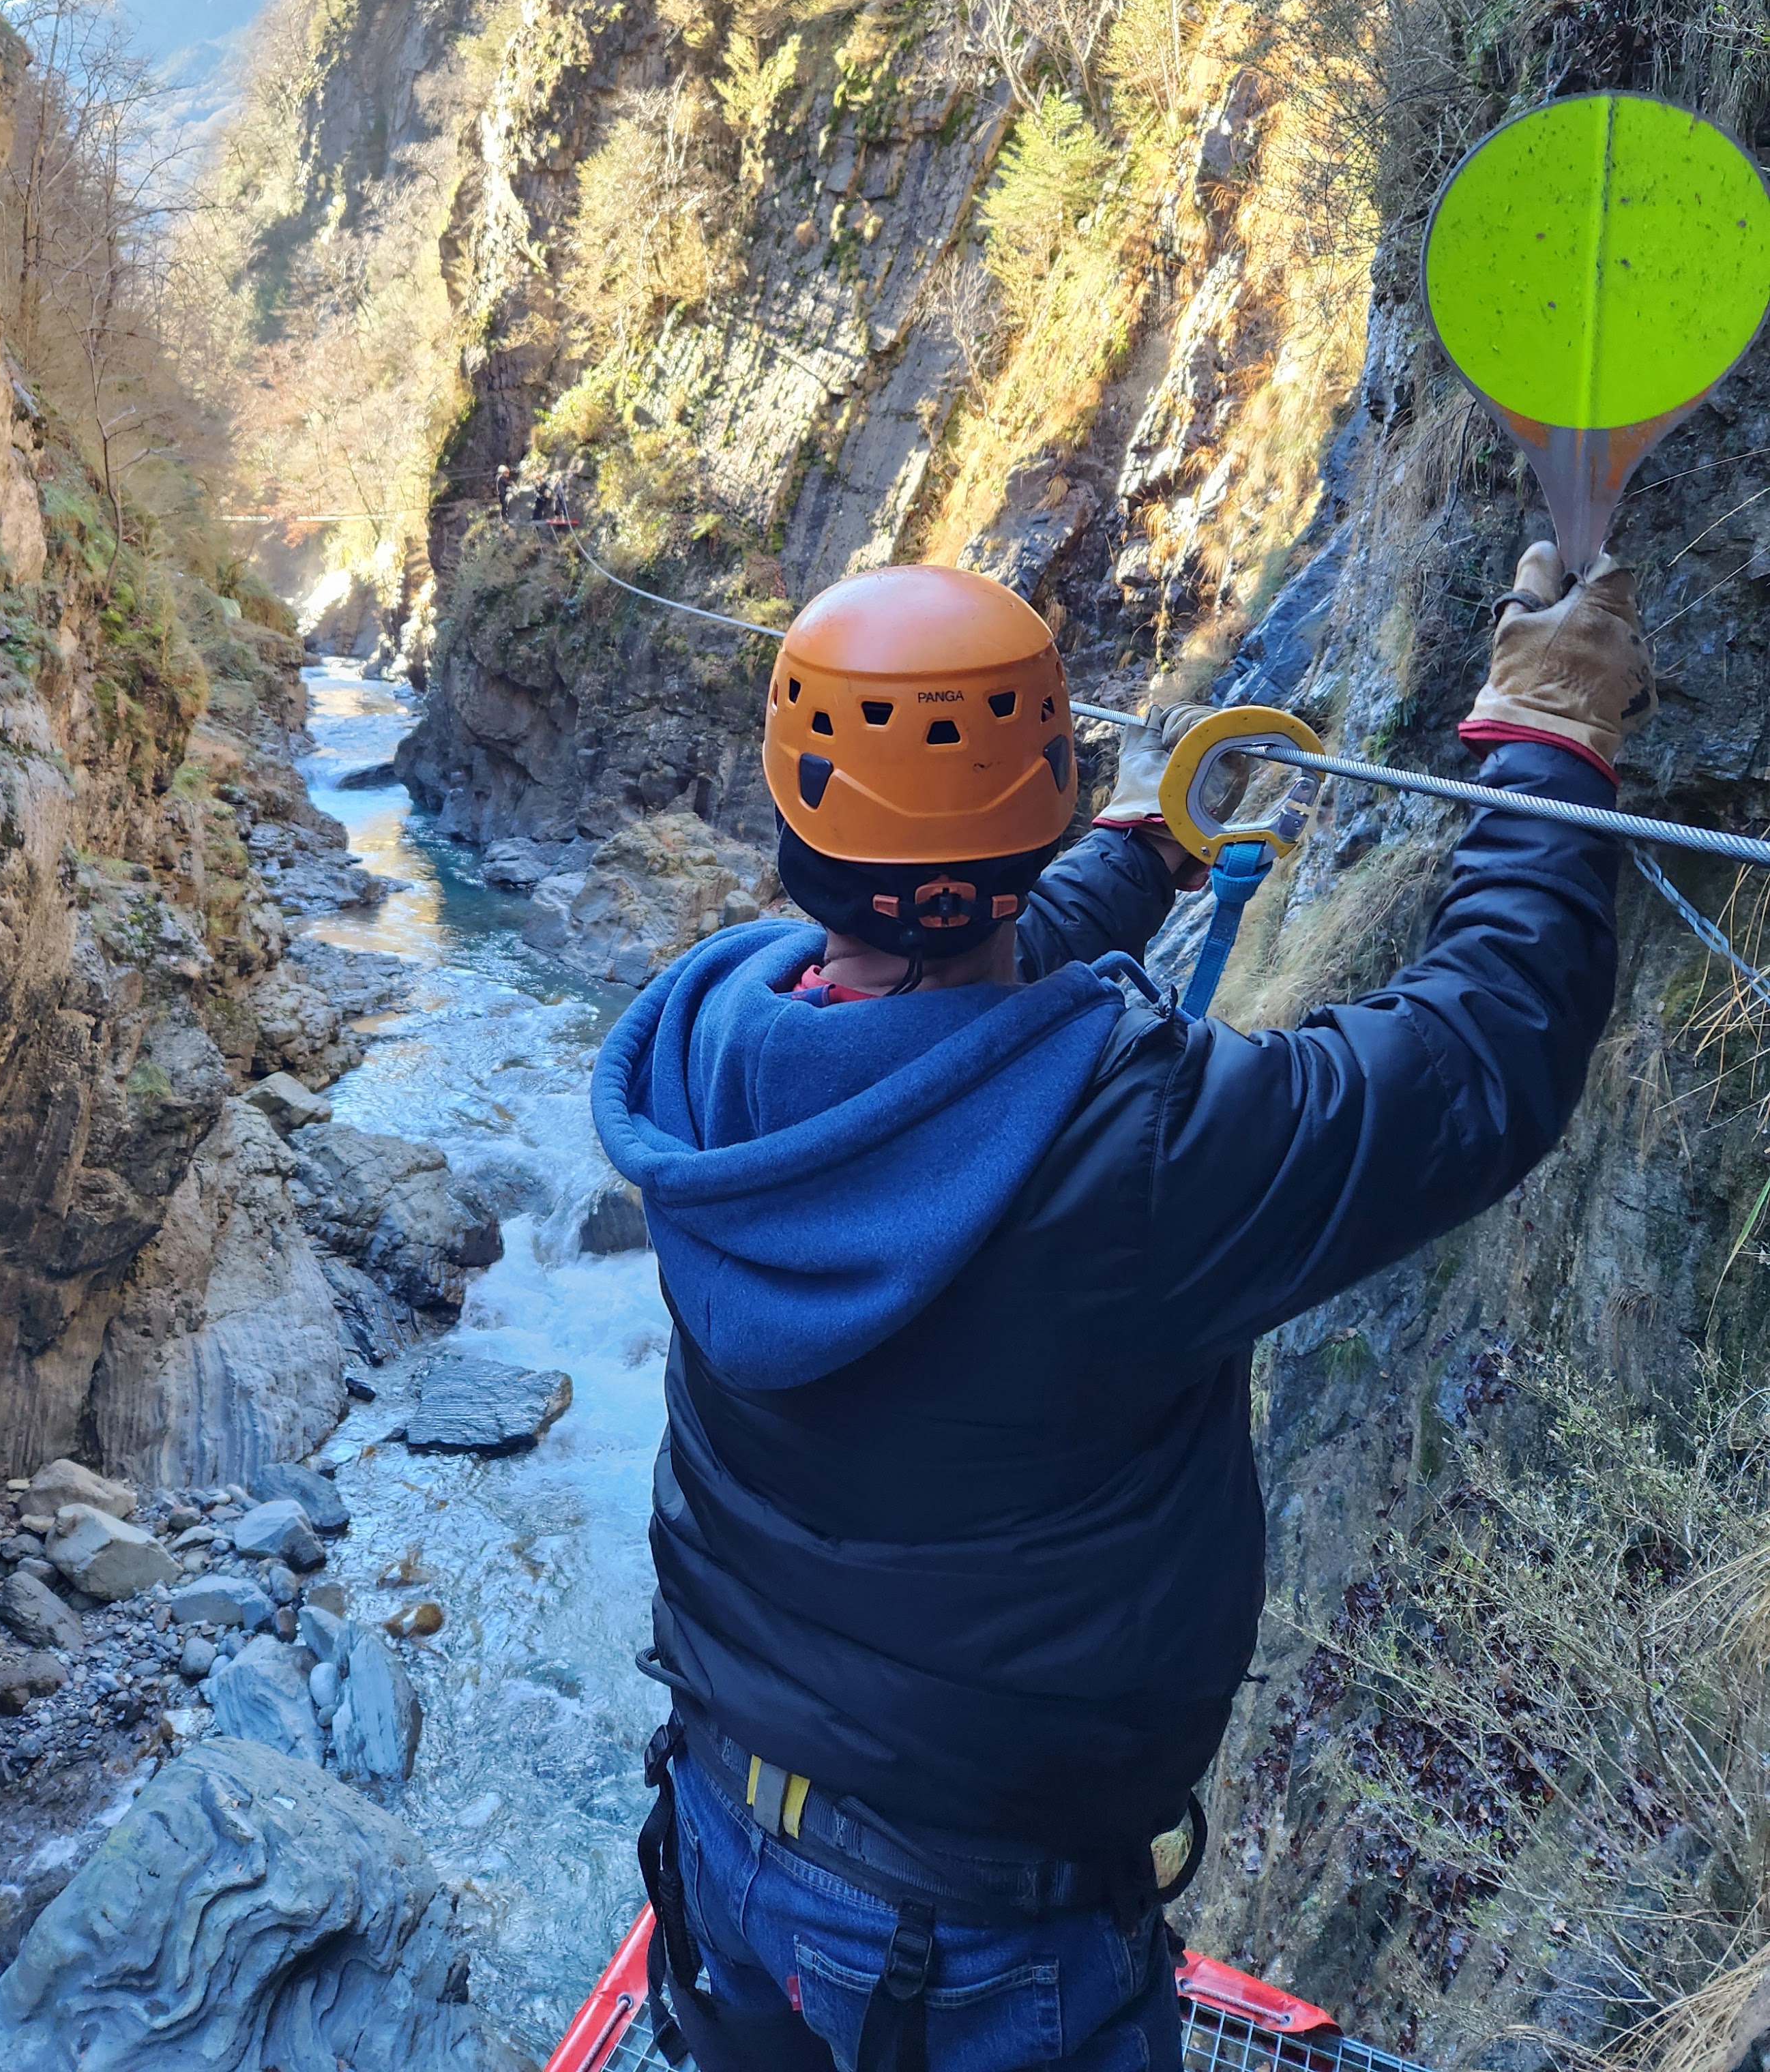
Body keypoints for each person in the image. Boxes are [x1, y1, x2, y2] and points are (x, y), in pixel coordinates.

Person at [592, 546, 1652, 2072]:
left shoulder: (715, 1050)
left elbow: (958, 1025)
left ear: (795, 818)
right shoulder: (1145, 1159)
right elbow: (1484, 1054)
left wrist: (1153, 848)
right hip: (977, 1932)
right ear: (1046, 785)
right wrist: (1549, 735)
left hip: (720, 1824)